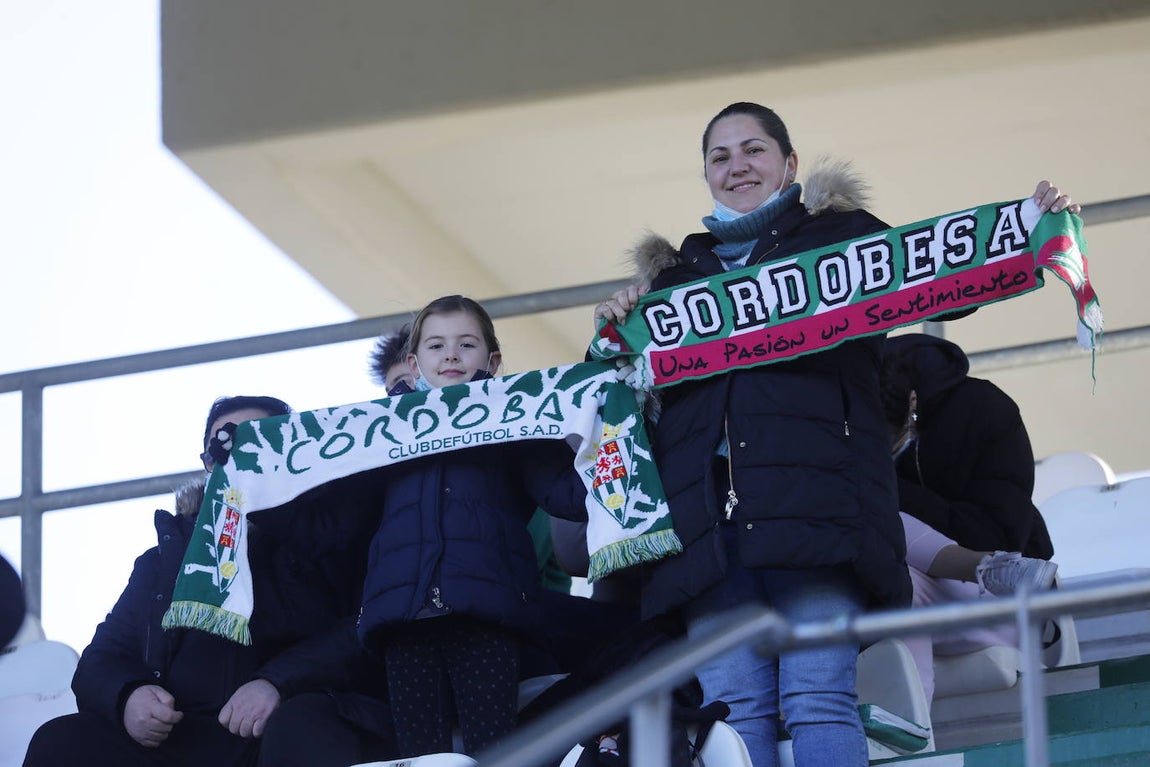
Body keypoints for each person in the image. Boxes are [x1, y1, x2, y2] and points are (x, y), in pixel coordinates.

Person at [593, 101, 1078, 767]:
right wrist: (617, 327)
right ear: (705, 174)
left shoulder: (837, 240)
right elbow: (619, 409)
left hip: (821, 528)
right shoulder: (675, 285)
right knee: (734, 713)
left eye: (753, 149)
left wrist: (1023, 228)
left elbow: (932, 275)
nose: (738, 166)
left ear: (789, 163)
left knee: (819, 695)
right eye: (720, 155)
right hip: (712, 546)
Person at [23, 395, 397, 767]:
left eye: (255, 439)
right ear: (207, 464)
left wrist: (279, 682)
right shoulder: (165, 559)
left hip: (291, 724)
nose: (237, 453)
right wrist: (129, 696)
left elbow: (367, 626)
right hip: (181, 735)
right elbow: (102, 657)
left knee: (303, 726)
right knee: (61, 740)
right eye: (223, 445)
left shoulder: (337, 535)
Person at [356, 295, 588, 758]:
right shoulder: (377, 434)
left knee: (495, 750)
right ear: (414, 362)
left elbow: (569, 496)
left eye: (466, 344)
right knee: (422, 757)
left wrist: (598, 430)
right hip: (403, 621)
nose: (451, 355)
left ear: (493, 360)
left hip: (486, 617)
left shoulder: (515, 422)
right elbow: (334, 517)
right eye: (436, 346)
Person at [880, 333, 1059, 702]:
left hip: (996, 596)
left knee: (897, 583)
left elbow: (998, 535)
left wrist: (883, 486)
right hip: (910, 591)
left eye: (886, 439)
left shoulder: (985, 411)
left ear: (911, 404)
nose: (878, 450)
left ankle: (914, 739)